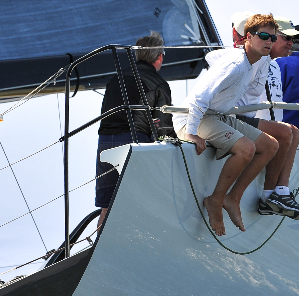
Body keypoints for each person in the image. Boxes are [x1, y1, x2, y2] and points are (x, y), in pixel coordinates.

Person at [173, 13, 281, 236]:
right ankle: (215, 200)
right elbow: (201, 98)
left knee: (270, 146)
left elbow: (213, 56)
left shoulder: (253, 61)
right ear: (248, 37)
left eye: (273, 38)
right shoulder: (236, 64)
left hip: (216, 115)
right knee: (246, 149)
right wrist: (191, 133)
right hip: (194, 117)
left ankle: (233, 198)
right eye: (263, 36)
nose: (269, 42)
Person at [224, 13, 299, 220]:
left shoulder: (274, 66)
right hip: (233, 120)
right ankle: (269, 196)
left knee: (292, 131)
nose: (290, 43)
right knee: (285, 132)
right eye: (284, 37)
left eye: (292, 39)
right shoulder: (246, 60)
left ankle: (281, 192)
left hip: (253, 121)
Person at [95, 31, 172, 231]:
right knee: (138, 202)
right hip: (134, 139)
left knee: (106, 206)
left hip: (105, 142)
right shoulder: (159, 83)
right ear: (159, 56)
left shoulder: (115, 79)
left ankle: (99, 246)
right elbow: (165, 127)